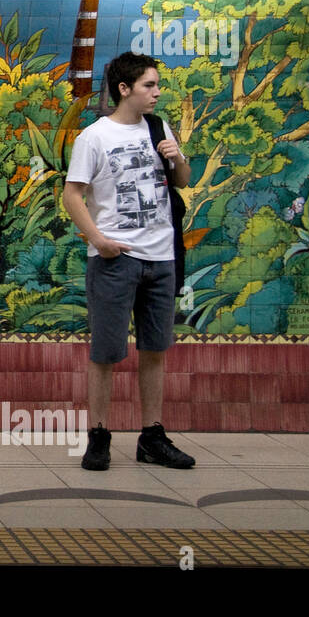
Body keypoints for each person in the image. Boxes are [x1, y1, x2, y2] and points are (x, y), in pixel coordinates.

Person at [62, 52, 196, 470]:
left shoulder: (158, 128)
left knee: (155, 349)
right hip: (115, 259)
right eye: (149, 86)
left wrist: (176, 156)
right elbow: (72, 194)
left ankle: (152, 437)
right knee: (106, 352)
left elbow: (182, 181)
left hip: (162, 256)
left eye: (157, 85)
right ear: (125, 89)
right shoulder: (94, 138)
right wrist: (98, 240)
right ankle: (98, 437)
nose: (157, 93)